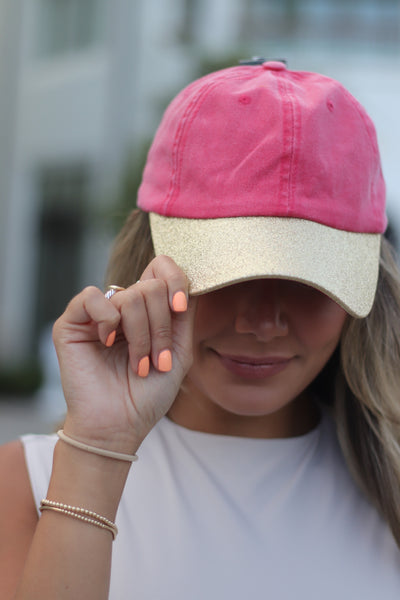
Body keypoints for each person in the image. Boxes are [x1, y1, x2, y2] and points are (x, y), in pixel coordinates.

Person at [1, 59, 400, 599]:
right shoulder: (24, 483)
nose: (261, 322)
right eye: (225, 273)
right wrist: (97, 447)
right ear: (152, 257)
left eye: (308, 281)